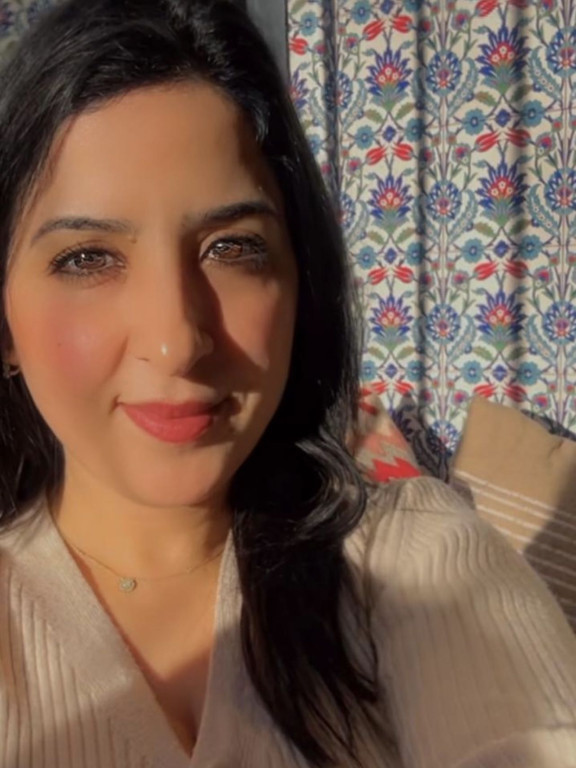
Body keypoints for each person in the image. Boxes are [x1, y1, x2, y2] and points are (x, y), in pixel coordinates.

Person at [0, 1, 574, 766]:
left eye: (232, 247)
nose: (177, 342)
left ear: (301, 284)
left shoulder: (413, 556)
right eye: (87, 258)